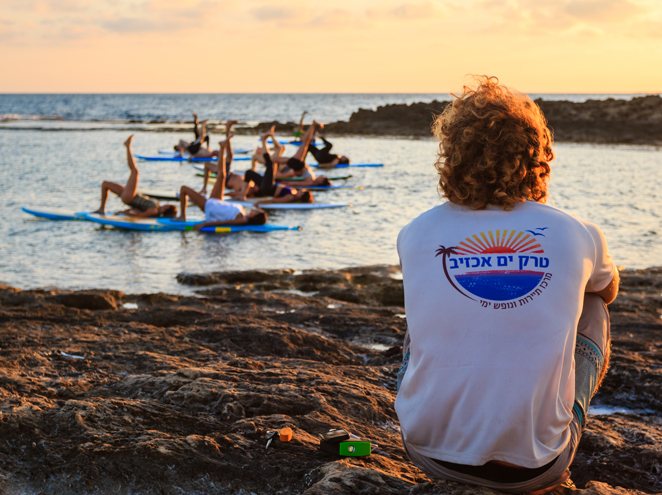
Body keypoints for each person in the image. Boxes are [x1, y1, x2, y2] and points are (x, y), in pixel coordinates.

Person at [395, 77, 619, 494]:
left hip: (429, 452)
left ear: (452, 156)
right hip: (537, 468)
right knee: (592, 307)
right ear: (537, 156)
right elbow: (608, 291)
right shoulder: (578, 232)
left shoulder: (415, 232)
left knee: (423, 315)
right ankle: (541, 427)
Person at [177, 140, 267, 228]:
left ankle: (182, 217)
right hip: (217, 202)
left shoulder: (243, 220)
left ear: (254, 217)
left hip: (210, 207)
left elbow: (225, 222)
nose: (255, 210)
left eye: (256, 211)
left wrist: (205, 224)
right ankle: (222, 148)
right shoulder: (243, 213)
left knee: (184, 189)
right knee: (222, 175)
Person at [93, 135, 177, 218]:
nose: (166, 204)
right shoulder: (156, 207)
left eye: (168, 205)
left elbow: (140, 215)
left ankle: (128, 146)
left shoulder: (154, 210)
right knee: (105, 184)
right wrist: (124, 211)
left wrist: (126, 214)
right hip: (131, 196)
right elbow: (139, 210)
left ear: (167, 208)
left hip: (130, 197)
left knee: (135, 171)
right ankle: (101, 208)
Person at [236, 132, 314, 204]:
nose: (301, 190)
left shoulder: (290, 197)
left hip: (268, 187)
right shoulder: (293, 193)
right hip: (268, 185)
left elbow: (275, 200)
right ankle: (243, 194)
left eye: (303, 191)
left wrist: (259, 203)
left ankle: (263, 140)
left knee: (270, 164)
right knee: (249, 173)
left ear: (301, 195)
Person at [198, 120, 244, 194]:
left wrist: (225, 194)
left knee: (228, 156)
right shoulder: (249, 186)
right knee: (228, 155)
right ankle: (227, 130)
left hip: (226, 178)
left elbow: (237, 193)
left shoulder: (242, 187)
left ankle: (227, 130)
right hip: (227, 176)